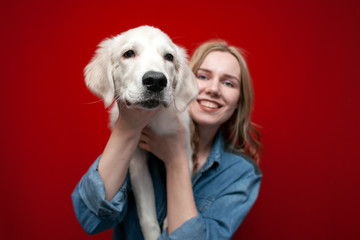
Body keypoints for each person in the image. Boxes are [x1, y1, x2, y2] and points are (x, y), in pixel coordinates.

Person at [72, 40, 263, 239]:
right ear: (179, 82)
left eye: (228, 83)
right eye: (203, 76)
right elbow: (90, 218)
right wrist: (127, 127)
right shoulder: (140, 142)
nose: (214, 89)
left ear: (239, 100)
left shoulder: (240, 173)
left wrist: (176, 160)